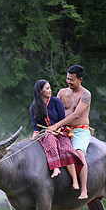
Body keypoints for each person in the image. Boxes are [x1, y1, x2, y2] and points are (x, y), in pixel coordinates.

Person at [47, 65, 91, 199]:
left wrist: (56, 125)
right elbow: (53, 110)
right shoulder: (61, 93)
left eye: (72, 79)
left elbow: (76, 115)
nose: (69, 82)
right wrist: (50, 126)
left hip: (79, 131)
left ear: (80, 79)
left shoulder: (86, 94)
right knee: (47, 145)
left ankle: (84, 189)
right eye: (67, 79)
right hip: (63, 130)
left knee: (79, 153)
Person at [30, 79, 83, 190]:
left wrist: (56, 129)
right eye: (47, 88)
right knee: (49, 139)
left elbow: (63, 121)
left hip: (60, 132)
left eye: (50, 88)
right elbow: (36, 127)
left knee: (67, 150)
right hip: (45, 134)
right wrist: (33, 137)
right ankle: (56, 168)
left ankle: (75, 181)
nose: (50, 90)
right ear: (40, 92)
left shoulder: (55, 102)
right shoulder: (33, 107)